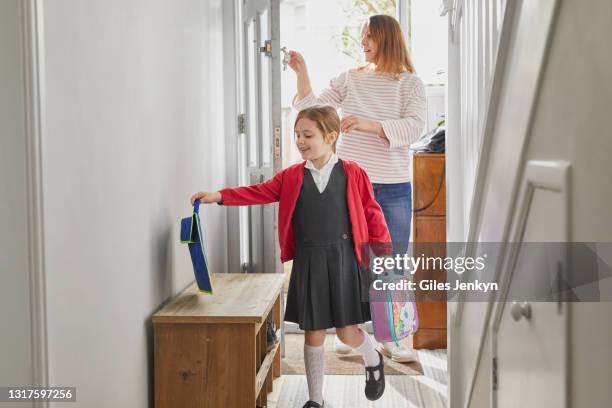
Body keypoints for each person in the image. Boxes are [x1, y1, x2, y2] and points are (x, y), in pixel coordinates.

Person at [191, 106, 390, 407]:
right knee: (313, 333)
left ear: (331, 137)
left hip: (344, 261)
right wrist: (219, 196)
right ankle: (315, 399)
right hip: (309, 262)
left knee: (349, 333)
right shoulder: (291, 177)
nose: (300, 141)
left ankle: (373, 360)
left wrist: (383, 258)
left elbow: (373, 215)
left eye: (308, 135)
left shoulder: (353, 173)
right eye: (297, 135)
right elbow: (258, 192)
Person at [287, 14, 426, 363]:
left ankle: (390, 336)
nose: (362, 43)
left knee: (388, 264)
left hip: (392, 187)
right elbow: (313, 108)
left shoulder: (409, 83)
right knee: (348, 263)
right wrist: (302, 74)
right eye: (363, 36)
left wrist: (367, 124)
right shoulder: (350, 78)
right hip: (347, 187)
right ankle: (351, 331)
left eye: (369, 37)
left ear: (387, 39)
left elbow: (414, 128)